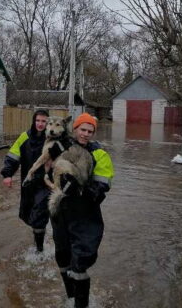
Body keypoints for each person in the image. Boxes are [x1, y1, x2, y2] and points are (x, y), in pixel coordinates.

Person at [48, 113, 114, 308]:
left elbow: (103, 181)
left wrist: (85, 190)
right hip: (61, 211)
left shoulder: (99, 153)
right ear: (75, 129)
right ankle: (70, 296)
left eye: (90, 131)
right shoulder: (61, 146)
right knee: (62, 255)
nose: (85, 134)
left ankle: (81, 304)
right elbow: (47, 169)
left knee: (81, 259)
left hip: (85, 214)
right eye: (82, 129)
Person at [0, 109, 50, 252]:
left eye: (44, 121)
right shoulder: (25, 137)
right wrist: (8, 174)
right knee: (28, 214)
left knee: (39, 215)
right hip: (28, 183)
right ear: (34, 121)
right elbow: (13, 156)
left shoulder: (52, 139)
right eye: (38, 121)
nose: (40, 124)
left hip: (46, 184)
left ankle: (39, 250)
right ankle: (39, 237)